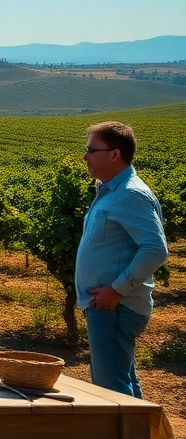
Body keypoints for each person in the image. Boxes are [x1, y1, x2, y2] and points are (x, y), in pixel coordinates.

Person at [75, 121, 168, 398]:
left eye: (91, 149)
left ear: (114, 154)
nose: (85, 156)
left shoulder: (130, 195)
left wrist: (115, 290)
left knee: (110, 393)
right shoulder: (111, 191)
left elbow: (155, 249)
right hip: (107, 306)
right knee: (123, 386)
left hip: (114, 307)